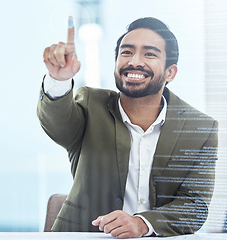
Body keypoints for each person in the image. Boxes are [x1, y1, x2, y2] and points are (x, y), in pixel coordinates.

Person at [37, 17, 218, 238]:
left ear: (170, 72)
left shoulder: (200, 128)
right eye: (126, 52)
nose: (134, 61)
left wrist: (142, 224)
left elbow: (194, 206)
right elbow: (58, 126)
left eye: (149, 54)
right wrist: (59, 80)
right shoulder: (90, 105)